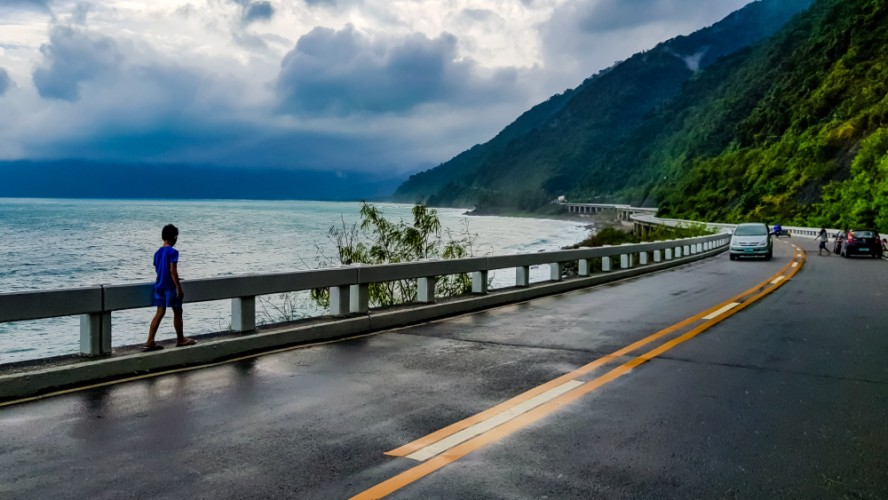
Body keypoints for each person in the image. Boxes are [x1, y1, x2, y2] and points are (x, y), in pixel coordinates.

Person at [144, 224, 196, 351]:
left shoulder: (157, 253)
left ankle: (150, 340)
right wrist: (178, 286)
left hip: (159, 286)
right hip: (170, 287)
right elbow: (172, 269)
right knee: (178, 312)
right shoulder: (173, 252)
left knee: (159, 312)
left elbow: (159, 269)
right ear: (174, 237)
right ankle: (180, 339)